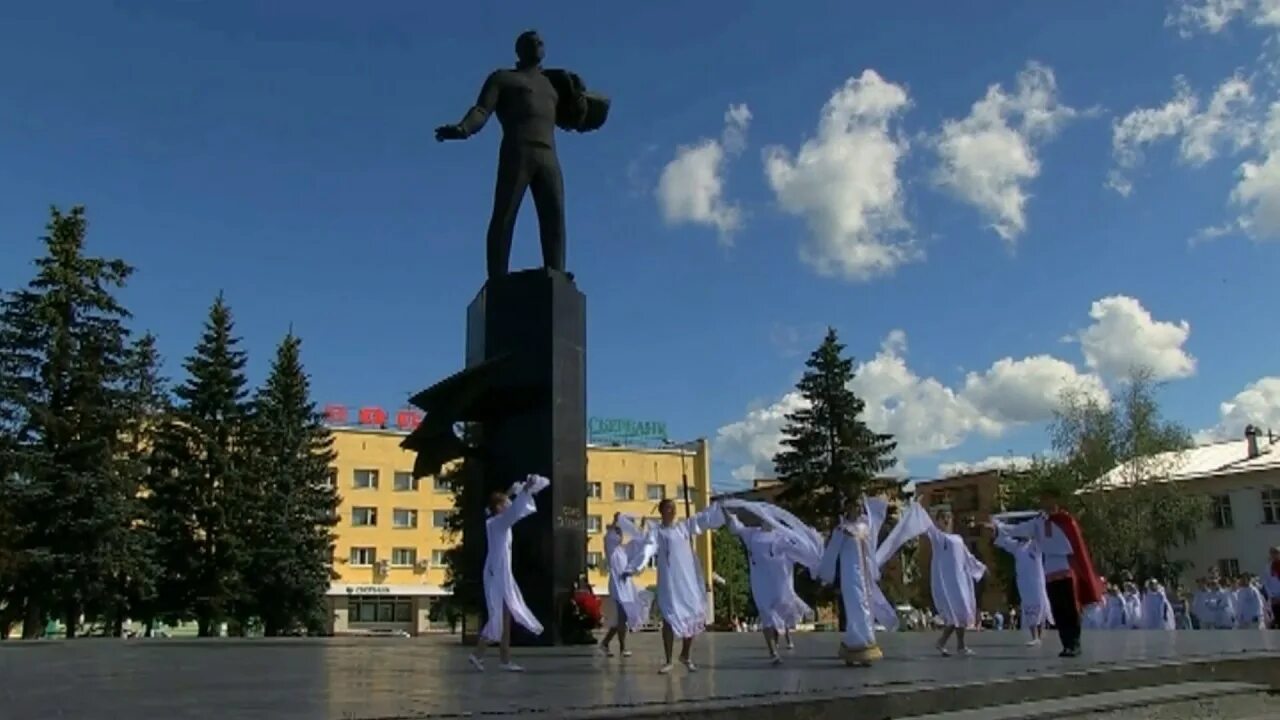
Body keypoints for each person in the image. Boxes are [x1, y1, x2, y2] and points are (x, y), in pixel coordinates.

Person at [619, 498, 724, 674]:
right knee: (669, 618)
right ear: (662, 512)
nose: (673, 511)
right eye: (669, 508)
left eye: (674, 508)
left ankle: (685, 655)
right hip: (669, 581)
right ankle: (668, 660)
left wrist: (719, 511)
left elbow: (702, 520)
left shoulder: (683, 527)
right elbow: (647, 550)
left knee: (691, 616)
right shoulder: (657, 532)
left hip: (686, 579)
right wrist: (632, 569)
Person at [998, 488, 1104, 657]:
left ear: (1055, 501)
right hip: (1049, 570)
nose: (1045, 503)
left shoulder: (1065, 520)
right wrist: (998, 527)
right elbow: (1018, 530)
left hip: (1066, 568)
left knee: (1069, 608)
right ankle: (1066, 644)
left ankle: (1074, 643)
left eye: (1048, 499)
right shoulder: (1038, 522)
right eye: (1042, 500)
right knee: (1058, 609)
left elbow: (1075, 545)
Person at [468, 474, 551, 672]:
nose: (507, 505)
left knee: (505, 616)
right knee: (499, 616)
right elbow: (514, 511)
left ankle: (502, 659)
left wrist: (513, 492)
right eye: (504, 503)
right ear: (498, 508)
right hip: (496, 573)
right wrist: (524, 491)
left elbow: (510, 509)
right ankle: (479, 654)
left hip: (499, 573)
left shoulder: (496, 522)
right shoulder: (498, 523)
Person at [725, 507, 815, 664]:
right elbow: (736, 527)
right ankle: (773, 651)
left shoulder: (782, 536)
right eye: (764, 517)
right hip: (760, 581)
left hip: (779, 583)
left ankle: (779, 641)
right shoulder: (752, 534)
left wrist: (809, 546)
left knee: (780, 611)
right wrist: (727, 512)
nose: (767, 520)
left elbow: (797, 550)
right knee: (766, 614)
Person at [817, 499, 883, 666]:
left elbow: (870, 553)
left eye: (860, 506)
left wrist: (873, 571)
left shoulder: (865, 528)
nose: (858, 509)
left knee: (867, 607)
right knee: (856, 607)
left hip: (864, 575)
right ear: (848, 508)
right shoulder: (842, 530)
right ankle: (855, 645)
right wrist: (826, 574)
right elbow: (832, 553)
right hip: (850, 575)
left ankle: (866, 645)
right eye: (855, 506)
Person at [919, 508, 986, 656]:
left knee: (960, 614)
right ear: (938, 521)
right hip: (947, 583)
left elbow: (968, 558)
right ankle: (956, 645)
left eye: (949, 517)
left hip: (960, 581)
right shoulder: (938, 537)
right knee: (955, 615)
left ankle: (948, 644)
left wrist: (980, 568)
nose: (946, 520)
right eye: (943, 517)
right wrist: (919, 508)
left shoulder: (958, 539)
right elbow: (926, 525)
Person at [597, 513, 654, 658]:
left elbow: (638, 542)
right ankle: (622, 647)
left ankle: (605, 643)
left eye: (621, 533)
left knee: (622, 618)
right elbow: (610, 536)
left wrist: (641, 526)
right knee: (622, 616)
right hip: (617, 585)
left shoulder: (623, 550)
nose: (620, 535)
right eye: (618, 532)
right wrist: (616, 521)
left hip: (626, 586)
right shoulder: (612, 549)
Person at [992, 519, 1052, 646]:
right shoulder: (1017, 547)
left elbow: (1043, 534)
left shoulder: (1035, 545)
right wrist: (995, 525)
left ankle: (1039, 636)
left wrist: (1043, 519)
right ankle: (1034, 636)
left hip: (1037, 583)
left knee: (1040, 607)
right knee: (1029, 608)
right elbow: (1001, 539)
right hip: (1024, 584)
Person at [1267, 547, 1280, 630]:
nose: (1274, 555)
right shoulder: (1268, 567)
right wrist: (1272, 596)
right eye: (1272, 553)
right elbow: (1265, 583)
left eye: (1276, 553)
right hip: (1275, 599)